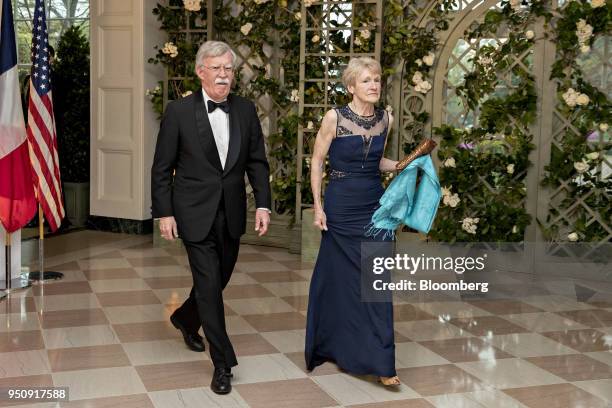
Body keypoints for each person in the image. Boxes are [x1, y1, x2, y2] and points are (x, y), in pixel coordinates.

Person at [151, 40, 272, 395]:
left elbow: (257, 163)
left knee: (217, 281)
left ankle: (185, 318)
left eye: (228, 69)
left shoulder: (246, 111)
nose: (223, 75)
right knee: (208, 285)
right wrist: (165, 212)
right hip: (192, 212)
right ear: (200, 71)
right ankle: (222, 363)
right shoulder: (178, 112)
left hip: (231, 212)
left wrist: (262, 204)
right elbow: (162, 169)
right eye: (216, 68)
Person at [305, 57, 401, 386]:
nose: (374, 85)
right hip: (340, 209)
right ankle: (337, 346)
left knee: (377, 282)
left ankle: (384, 363)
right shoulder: (334, 118)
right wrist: (318, 206)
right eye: (366, 81)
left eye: (376, 79)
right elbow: (317, 162)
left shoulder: (385, 118)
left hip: (374, 208)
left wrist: (400, 165)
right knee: (340, 281)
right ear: (351, 87)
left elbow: (375, 162)